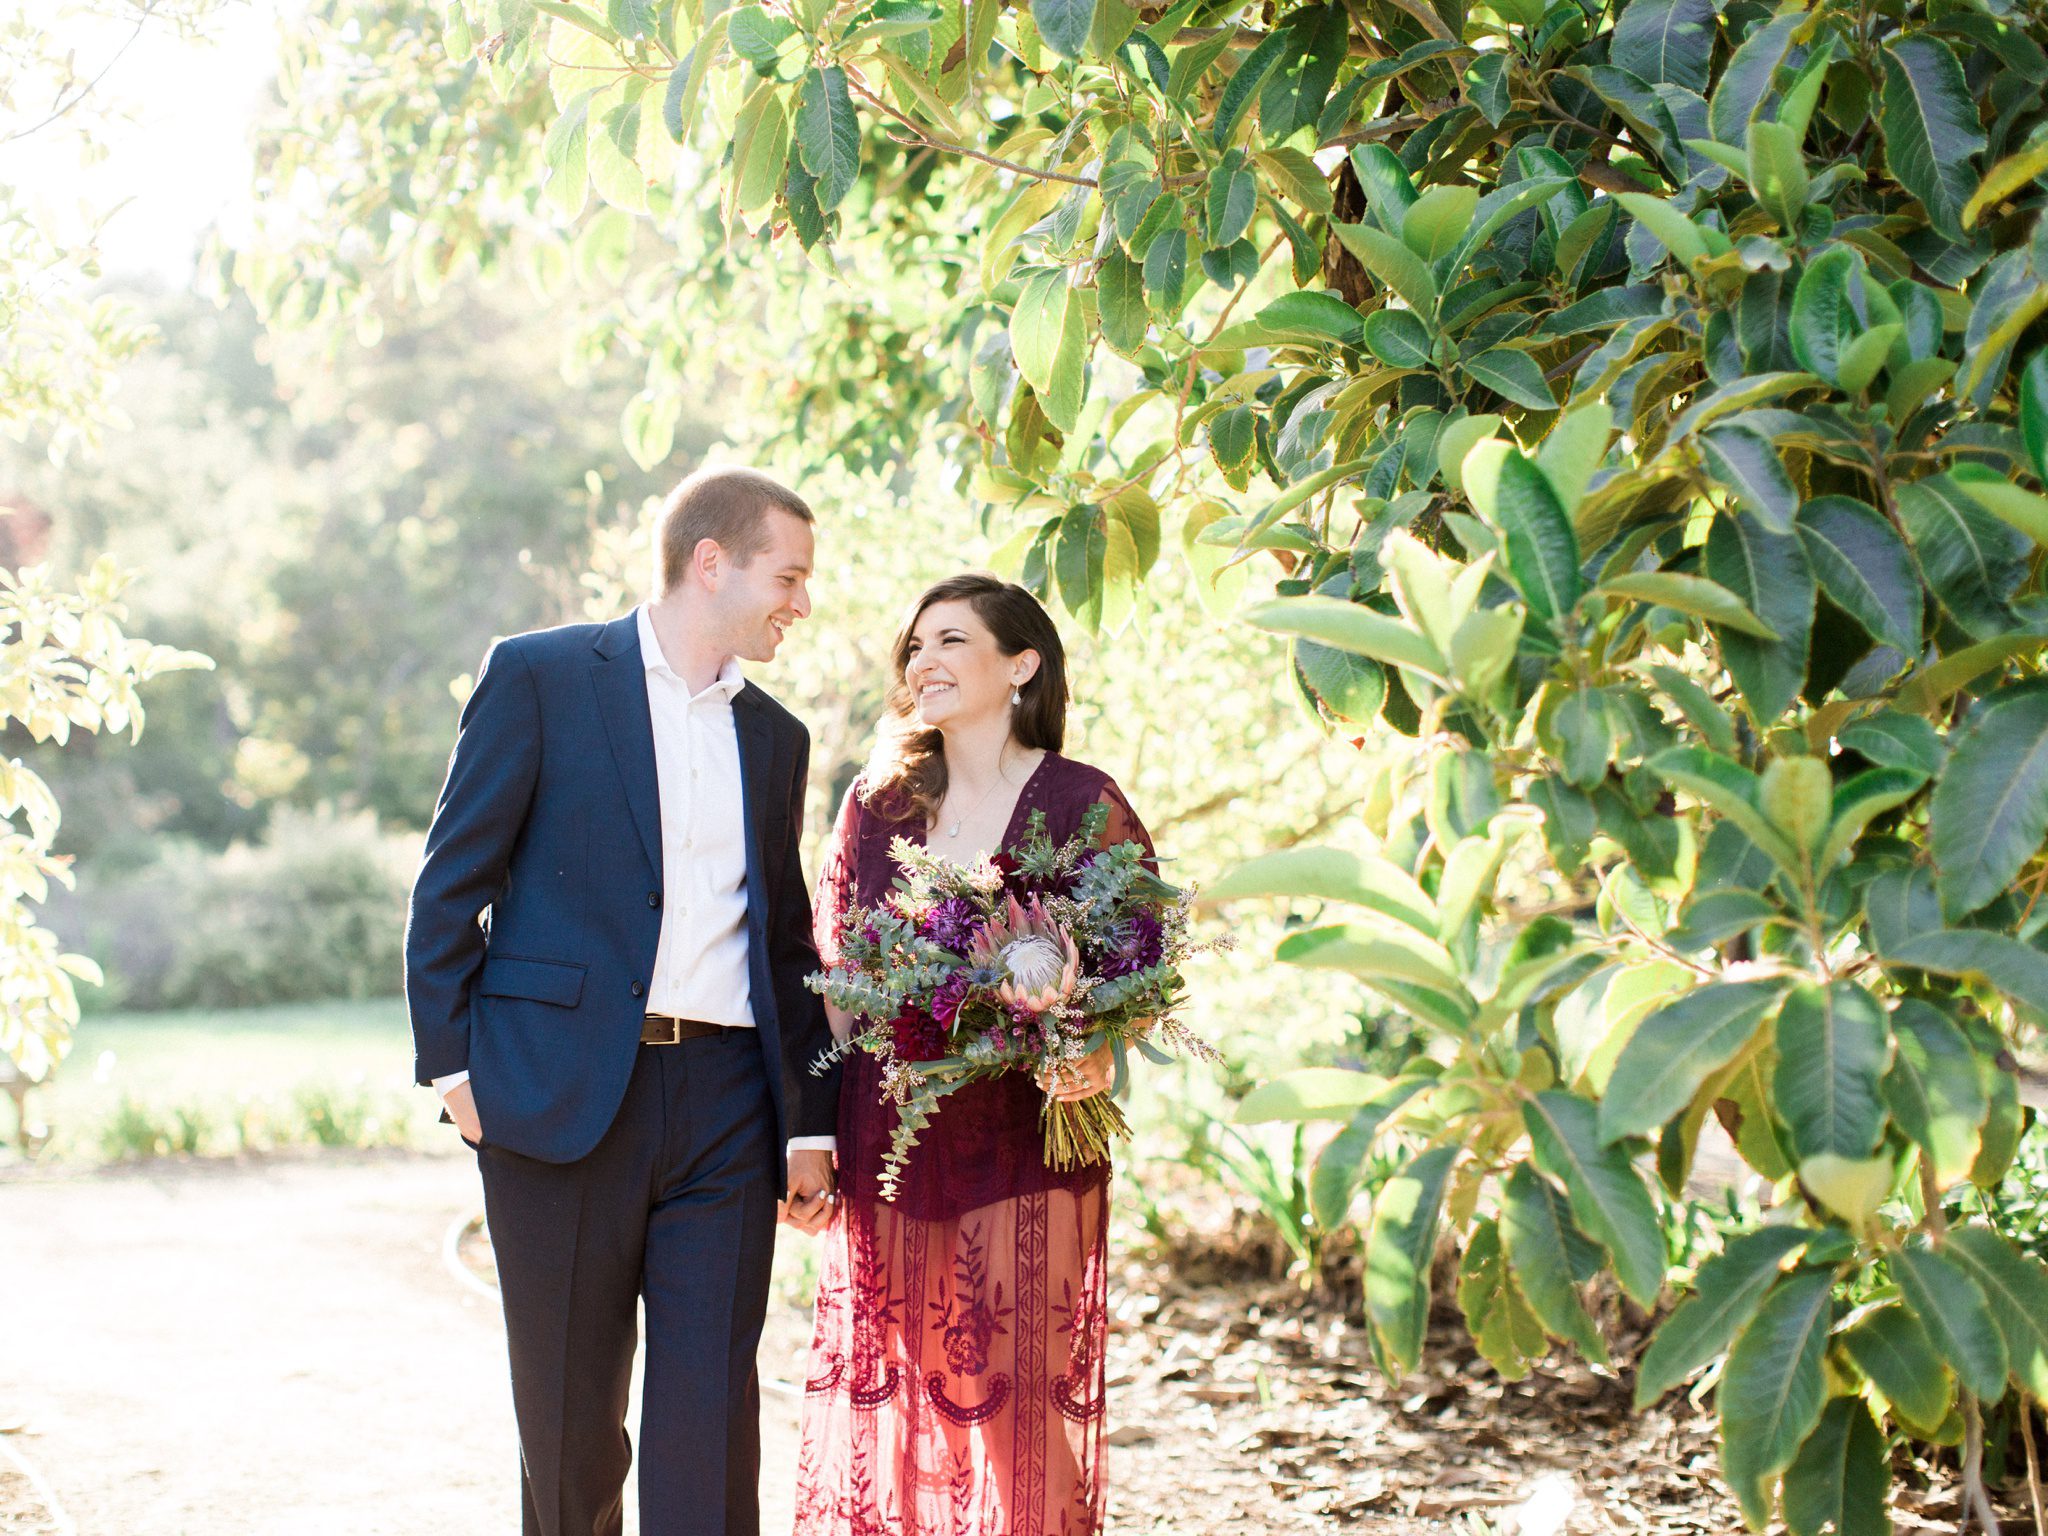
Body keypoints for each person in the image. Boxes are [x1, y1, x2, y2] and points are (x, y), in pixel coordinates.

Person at [403, 464, 841, 1536]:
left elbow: (784, 941)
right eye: (786, 575)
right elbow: (450, 882)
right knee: (567, 1427)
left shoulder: (773, 736)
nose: (801, 601)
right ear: (709, 563)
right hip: (553, 1096)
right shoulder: (542, 675)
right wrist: (456, 1073)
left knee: (710, 1421)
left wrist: (806, 1123)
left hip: (726, 1107)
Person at [792, 572, 1153, 1536]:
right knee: (929, 1386)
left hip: (1026, 1135)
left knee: (1020, 1401)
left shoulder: (1083, 802)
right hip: (891, 1138)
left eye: (952, 641)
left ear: (1020, 664)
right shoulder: (877, 806)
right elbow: (837, 978)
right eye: (915, 647)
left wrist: (1097, 1048)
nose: (925, 662)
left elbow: (1137, 968)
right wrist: (809, 1137)